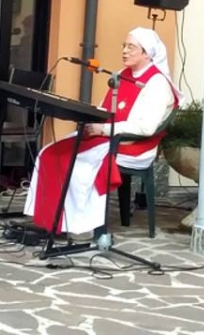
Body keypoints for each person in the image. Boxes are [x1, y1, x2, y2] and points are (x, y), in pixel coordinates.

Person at [23, 27, 180, 234]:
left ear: (146, 53)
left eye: (131, 47)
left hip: (132, 144)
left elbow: (145, 127)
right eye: (124, 46)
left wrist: (103, 129)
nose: (124, 51)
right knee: (49, 153)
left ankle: (81, 225)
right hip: (108, 135)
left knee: (79, 164)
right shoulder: (123, 75)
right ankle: (50, 219)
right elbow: (105, 110)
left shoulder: (156, 83)